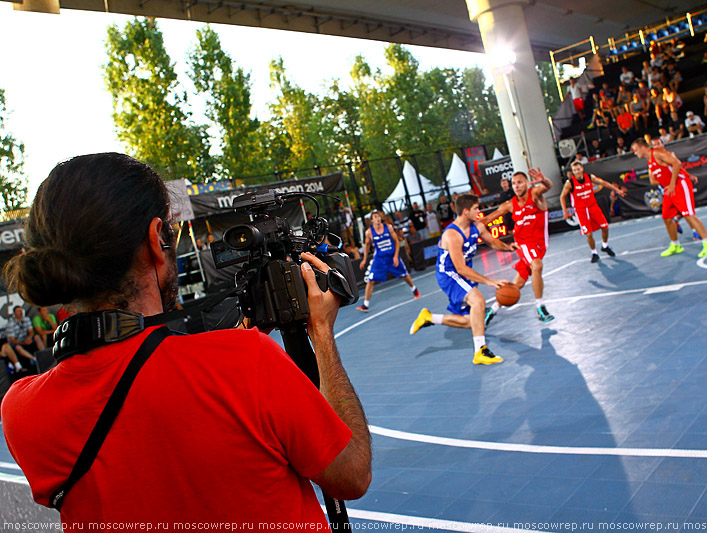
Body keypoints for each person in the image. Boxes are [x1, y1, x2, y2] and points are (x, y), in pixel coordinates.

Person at [0, 153, 371, 524]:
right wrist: (321, 333)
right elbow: (352, 475)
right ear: (155, 239)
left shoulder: (20, 412)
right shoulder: (247, 362)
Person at [409, 194, 518, 365]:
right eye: (476, 208)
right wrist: (489, 281)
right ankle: (480, 351)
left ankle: (430, 318)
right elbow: (460, 268)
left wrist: (507, 247)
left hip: (461, 274)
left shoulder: (477, 226)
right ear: (466, 211)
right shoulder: (452, 234)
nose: (479, 211)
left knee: (473, 322)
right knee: (478, 301)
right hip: (449, 274)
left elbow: (492, 242)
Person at [482, 169, 555, 326]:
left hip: (540, 245)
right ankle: (540, 308)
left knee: (517, 285)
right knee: (536, 265)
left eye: (520, 182)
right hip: (524, 244)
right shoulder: (509, 205)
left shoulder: (535, 195)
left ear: (527, 183)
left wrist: (544, 180)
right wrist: (467, 228)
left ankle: (492, 310)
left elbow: (548, 186)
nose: (516, 186)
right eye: (514, 183)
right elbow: (488, 219)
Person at [630, 139, 707, 258]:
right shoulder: (649, 160)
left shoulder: (657, 153)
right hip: (670, 189)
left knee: (688, 214)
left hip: (680, 184)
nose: (634, 153)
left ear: (642, 147)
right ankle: (675, 245)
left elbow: (677, 163)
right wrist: (666, 183)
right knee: (666, 217)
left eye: (635, 150)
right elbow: (653, 179)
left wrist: (672, 183)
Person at [560, 161, 627, 263]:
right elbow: (562, 197)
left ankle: (605, 246)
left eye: (578, 169)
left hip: (593, 206)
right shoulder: (570, 183)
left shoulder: (589, 177)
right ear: (572, 172)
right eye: (574, 170)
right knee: (589, 234)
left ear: (582, 169)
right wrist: (565, 211)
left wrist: (616, 190)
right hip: (581, 210)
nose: (577, 172)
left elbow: (603, 183)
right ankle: (594, 252)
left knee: (605, 226)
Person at [357, 210, 419, 312]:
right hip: (379, 259)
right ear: (372, 220)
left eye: (378, 216)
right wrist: (364, 260)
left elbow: (396, 242)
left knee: (404, 274)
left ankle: (414, 288)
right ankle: (365, 304)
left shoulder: (388, 227)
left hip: (391, 256)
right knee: (370, 280)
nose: (377, 218)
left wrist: (395, 256)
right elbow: (367, 246)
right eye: (375, 217)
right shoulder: (369, 232)